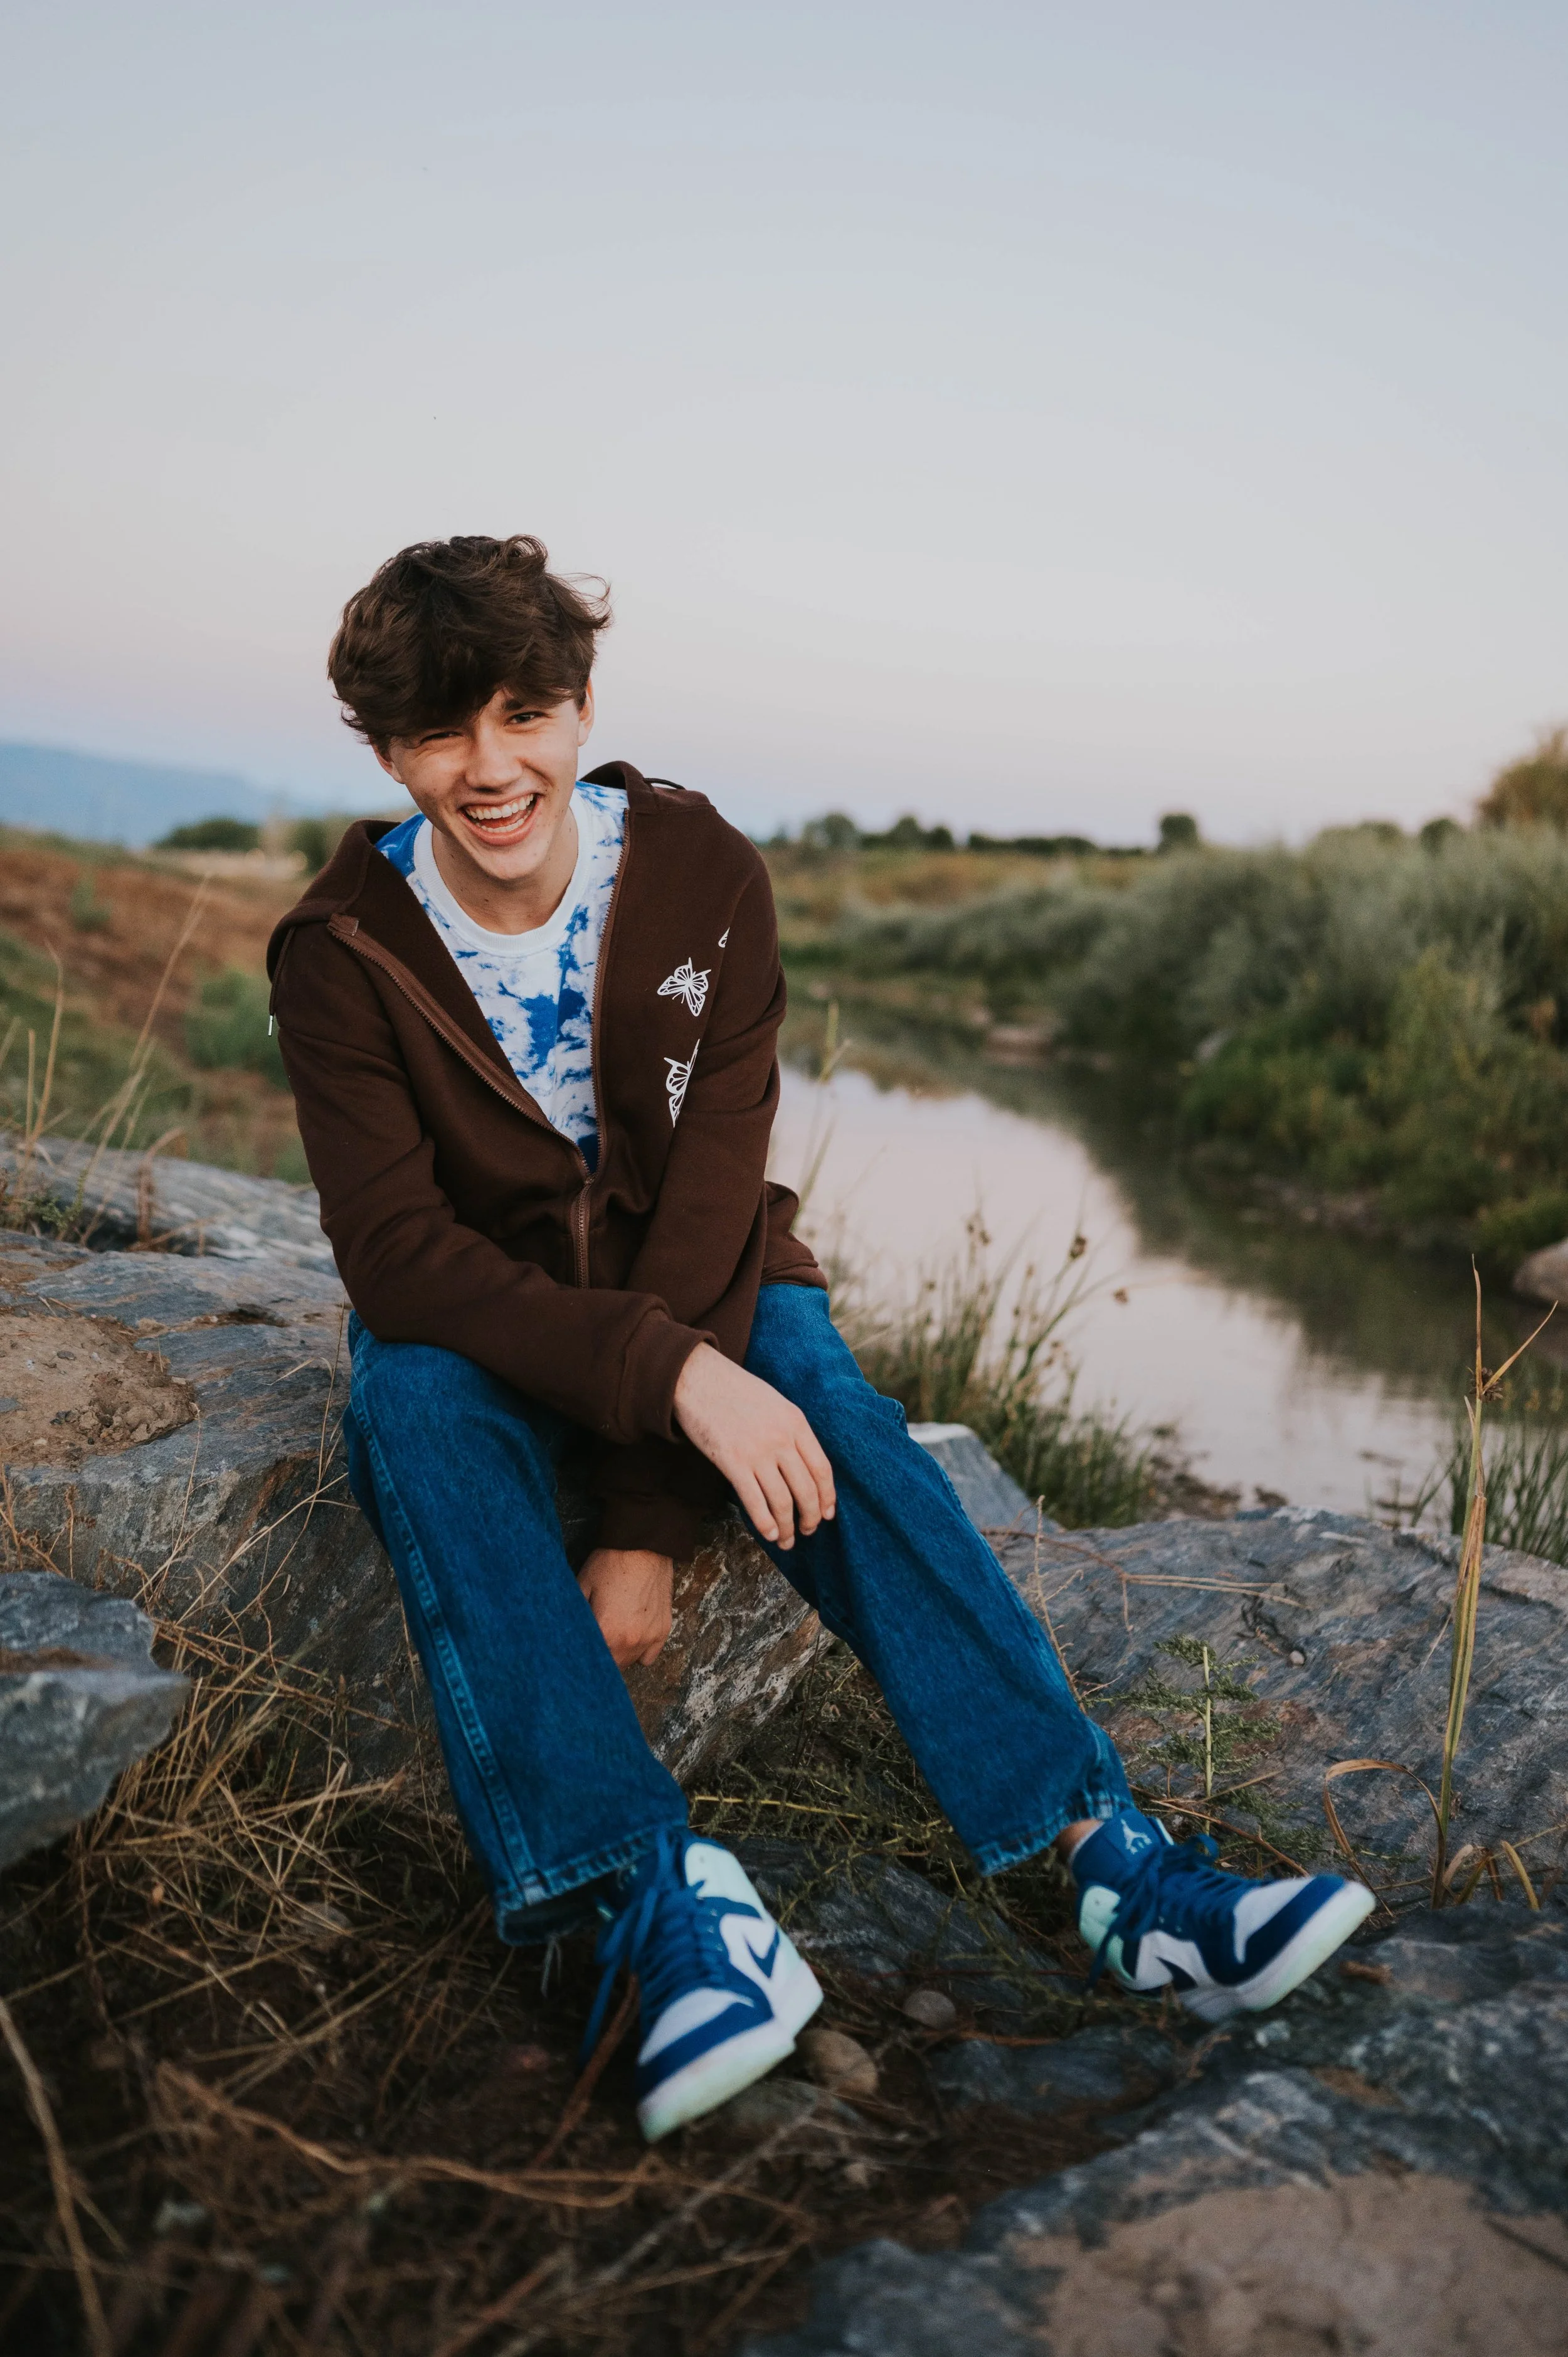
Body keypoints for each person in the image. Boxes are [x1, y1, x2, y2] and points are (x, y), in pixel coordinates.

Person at [267, 535, 1374, 2144]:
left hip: (715, 1279)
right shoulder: (342, 951)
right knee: (412, 1411)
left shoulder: (699, 870)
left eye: (523, 715)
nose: (489, 768)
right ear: (387, 754)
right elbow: (399, 1260)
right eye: (440, 733)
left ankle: (1113, 1872)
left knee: (825, 1409)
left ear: (580, 707)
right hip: (492, 1326)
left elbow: (712, 1195)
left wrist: (647, 1519)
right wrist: (667, 1385)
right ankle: (654, 1907)